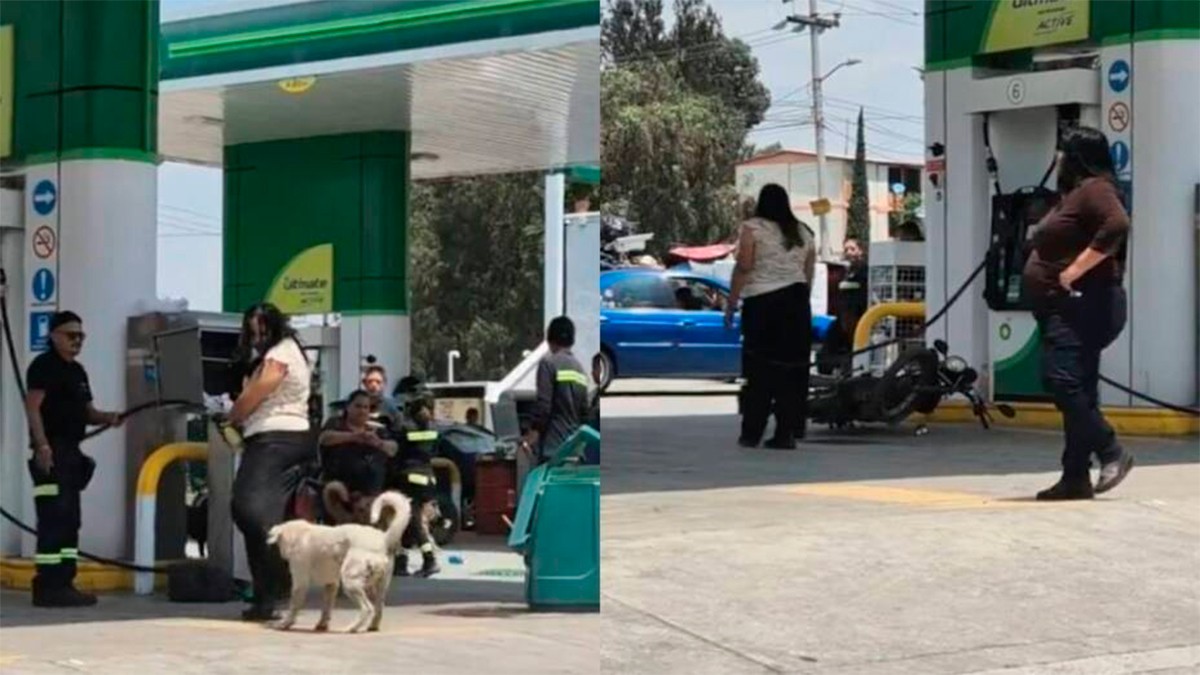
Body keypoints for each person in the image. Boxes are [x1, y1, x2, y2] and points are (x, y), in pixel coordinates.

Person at [1023, 126, 1133, 501]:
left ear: (1076, 157)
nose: (1057, 160)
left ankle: (1110, 449)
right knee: (1079, 387)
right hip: (1069, 306)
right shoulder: (1074, 194)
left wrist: (1073, 271)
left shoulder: (1096, 189)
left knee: (1060, 379)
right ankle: (1075, 476)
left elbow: (1117, 224)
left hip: (1084, 304)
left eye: (1062, 152)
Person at [24, 311, 122, 607]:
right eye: (71, 335)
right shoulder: (43, 366)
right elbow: (33, 407)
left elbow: (88, 413)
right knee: (53, 519)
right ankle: (48, 585)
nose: (77, 340)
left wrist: (108, 417)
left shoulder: (78, 372)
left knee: (70, 520)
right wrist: (42, 446)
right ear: (54, 336)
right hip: (52, 453)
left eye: (81, 336)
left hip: (71, 452)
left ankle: (64, 582)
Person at [227, 303, 315, 621]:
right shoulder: (291, 351)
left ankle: (274, 590)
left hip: (274, 438)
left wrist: (233, 413)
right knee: (267, 518)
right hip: (286, 439)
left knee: (250, 511)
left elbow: (261, 388)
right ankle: (270, 595)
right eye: (252, 332)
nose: (257, 337)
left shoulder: (281, 353)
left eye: (261, 330)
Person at [726, 183, 816, 450]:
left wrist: (731, 303)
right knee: (793, 370)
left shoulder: (752, 228)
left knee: (760, 369)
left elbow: (744, 266)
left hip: (763, 304)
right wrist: (801, 302)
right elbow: (808, 273)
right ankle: (787, 432)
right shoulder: (804, 231)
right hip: (796, 303)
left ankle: (752, 432)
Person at [522, 316, 590, 461]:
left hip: (553, 449)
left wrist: (532, 435)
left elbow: (543, 407)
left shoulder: (548, 364)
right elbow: (584, 413)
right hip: (575, 450)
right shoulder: (580, 370)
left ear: (549, 339)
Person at [390, 389, 441, 578]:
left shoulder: (406, 428)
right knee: (410, 519)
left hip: (410, 477)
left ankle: (429, 559)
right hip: (428, 477)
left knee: (413, 520)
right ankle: (401, 561)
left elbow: (396, 450)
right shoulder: (434, 428)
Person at [319, 390, 397, 498]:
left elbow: (393, 448)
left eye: (366, 407)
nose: (362, 411)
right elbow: (324, 438)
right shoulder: (335, 423)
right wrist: (354, 437)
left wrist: (378, 443)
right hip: (339, 489)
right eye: (358, 406)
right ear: (348, 407)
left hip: (371, 492)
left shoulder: (376, 429)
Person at [361, 363, 401, 428]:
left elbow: (398, 429)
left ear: (384, 384)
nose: (374, 385)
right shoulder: (354, 404)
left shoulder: (391, 407)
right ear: (364, 383)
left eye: (378, 382)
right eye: (370, 381)